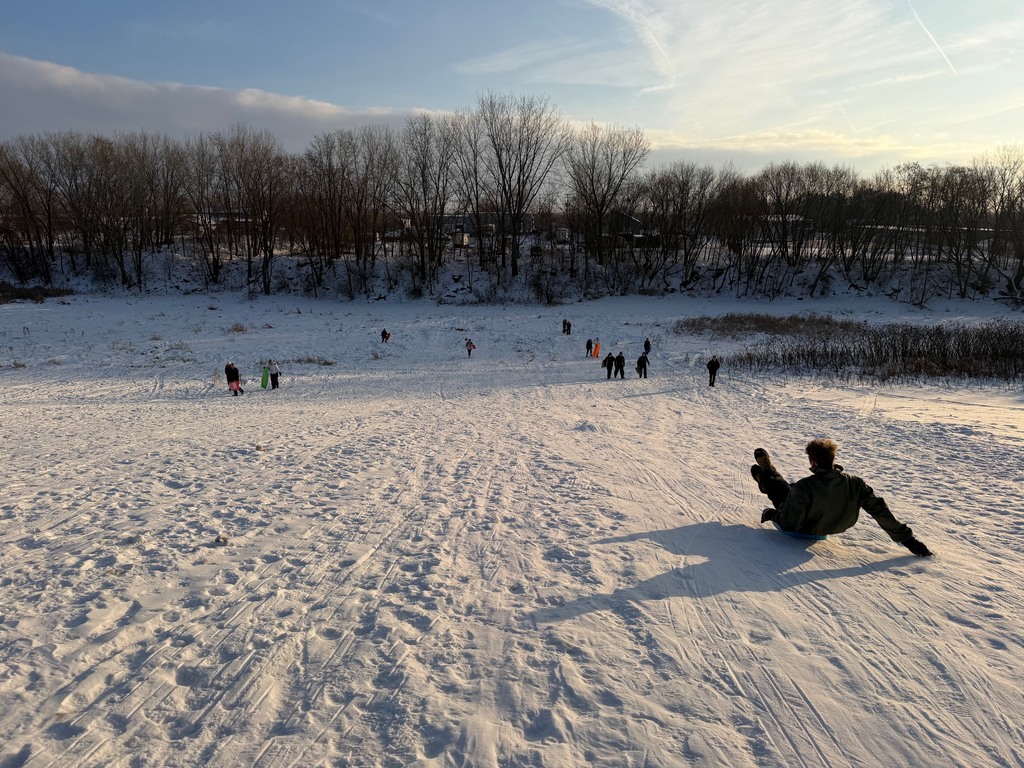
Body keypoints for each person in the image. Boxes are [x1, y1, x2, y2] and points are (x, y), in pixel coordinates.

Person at [752, 440, 933, 556]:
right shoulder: (855, 483)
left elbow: (789, 520)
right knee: (791, 488)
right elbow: (879, 509)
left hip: (803, 528)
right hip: (835, 526)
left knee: (779, 489)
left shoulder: (805, 486)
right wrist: (908, 540)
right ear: (833, 458)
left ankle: (765, 474)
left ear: (812, 462)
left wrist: (772, 515)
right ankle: (767, 472)